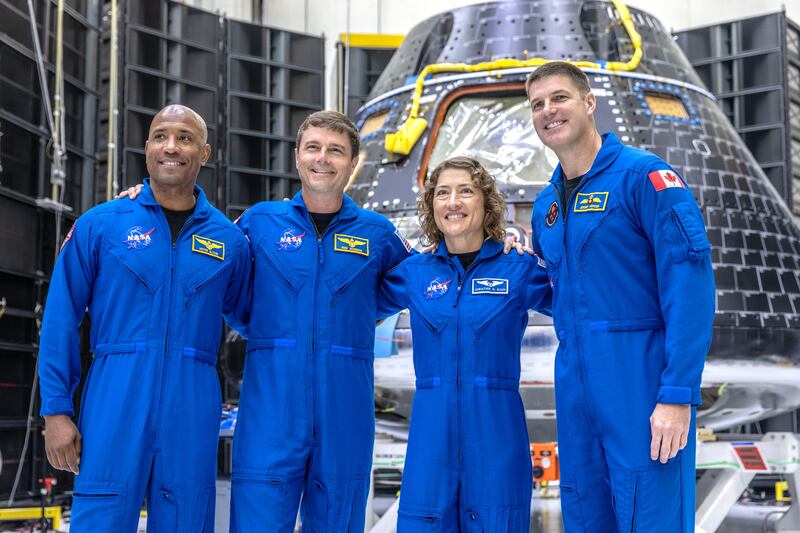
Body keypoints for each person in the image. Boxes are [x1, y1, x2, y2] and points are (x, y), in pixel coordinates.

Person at [39, 105, 251, 532]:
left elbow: (251, 319)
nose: (171, 147)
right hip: (115, 395)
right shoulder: (101, 226)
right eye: (160, 136)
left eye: (185, 138)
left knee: (186, 518)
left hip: (192, 401)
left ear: (204, 153)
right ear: (147, 147)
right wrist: (56, 411)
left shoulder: (230, 242)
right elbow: (60, 318)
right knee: (100, 518)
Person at [525, 61, 715, 531]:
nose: (548, 110)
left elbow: (689, 289)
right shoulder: (547, 206)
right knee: (585, 514)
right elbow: (561, 293)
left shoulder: (644, 178)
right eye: (537, 104)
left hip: (640, 383)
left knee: (650, 514)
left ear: (590, 103)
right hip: (576, 390)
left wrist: (677, 395)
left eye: (560, 97)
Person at [230, 111, 413, 531]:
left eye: (336, 151)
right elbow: (216, 272)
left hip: (344, 416)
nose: (323, 159)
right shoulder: (259, 223)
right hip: (270, 414)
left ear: (353, 163)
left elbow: (421, 280)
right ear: (297, 156)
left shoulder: (377, 233)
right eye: (313, 147)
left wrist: (357, 315)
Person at [377, 156, 552, 532]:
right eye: (442, 193)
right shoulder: (414, 272)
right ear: (432, 206)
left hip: (496, 441)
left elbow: (580, 302)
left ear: (486, 203)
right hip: (430, 444)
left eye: (466, 191)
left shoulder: (518, 267)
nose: (453, 202)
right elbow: (352, 305)